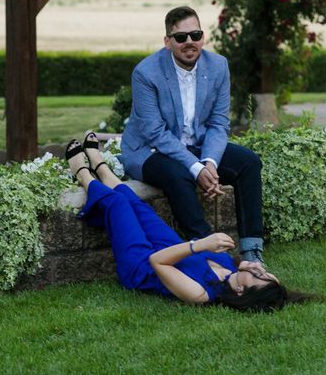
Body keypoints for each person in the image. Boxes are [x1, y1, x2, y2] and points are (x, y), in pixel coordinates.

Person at [68, 132, 312, 312]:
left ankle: (82, 172)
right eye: (267, 273)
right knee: (138, 207)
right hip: (169, 246)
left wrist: (202, 244)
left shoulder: (201, 294)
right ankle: (101, 168)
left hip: (142, 264)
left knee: (117, 205)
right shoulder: (229, 266)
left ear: (241, 292)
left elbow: (157, 262)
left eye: (261, 277)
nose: (261, 269)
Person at [119, 6, 266, 263]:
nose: (189, 42)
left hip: (195, 146)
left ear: (203, 37)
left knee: (248, 162)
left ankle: (252, 251)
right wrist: (196, 169)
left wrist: (209, 163)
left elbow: (219, 124)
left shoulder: (218, 66)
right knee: (178, 175)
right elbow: (155, 133)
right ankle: (210, 251)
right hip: (149, 151)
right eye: (181, 37)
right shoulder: (145, 73)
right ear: (167, 42)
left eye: (195, 35)